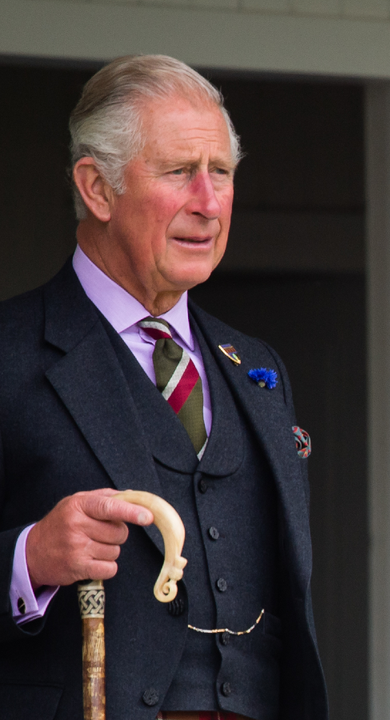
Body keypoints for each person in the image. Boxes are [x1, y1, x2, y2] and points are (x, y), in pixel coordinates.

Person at [0, 55, 327, 719]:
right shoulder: (8, 351)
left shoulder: (256, 365)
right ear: (97, 188)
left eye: (223, 173)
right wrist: (28, 557)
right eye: (180, 172)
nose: (208, 202)